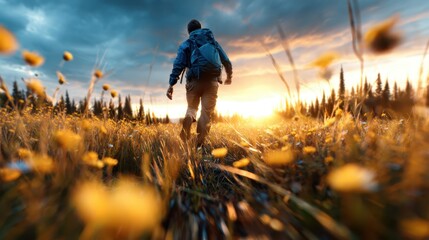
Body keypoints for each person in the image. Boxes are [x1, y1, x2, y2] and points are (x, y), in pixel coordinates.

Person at [167, 19, 232, 147]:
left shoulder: (186, 44)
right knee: (206, 113)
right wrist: (229, 76)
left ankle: (189, 118)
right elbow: (226, 60)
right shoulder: (212, 42)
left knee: (192, 108)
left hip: (193, 82)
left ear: (189, 32)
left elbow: (178, 64)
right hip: (212, 82)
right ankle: (198, 145)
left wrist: (171, 84)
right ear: (200, 28)